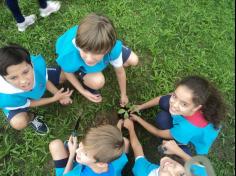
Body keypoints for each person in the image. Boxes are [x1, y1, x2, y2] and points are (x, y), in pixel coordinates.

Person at [55, 13, 139, 106]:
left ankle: (114, 50)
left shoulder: (112, 49)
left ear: (108, 49)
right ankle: (81, 73)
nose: (89, 59)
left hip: (102, 44)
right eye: (84, 51)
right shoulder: (70, 55)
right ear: (79, 46)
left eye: (96, 53)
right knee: (97, 82)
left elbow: (120, 72)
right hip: (76, 50)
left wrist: (123, 94)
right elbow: (67, 72)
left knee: (134, 60)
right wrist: (83, 91)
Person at [131, 76, 226, 155]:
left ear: (197, 108)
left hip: (190, 136)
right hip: (188, 122)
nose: (174, 104)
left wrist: (138, 119)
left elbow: (157, 132)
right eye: (175, 96)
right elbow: (163, 98)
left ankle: (180, 144)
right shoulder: (195, 101)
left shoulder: (185, 129)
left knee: (162, 118)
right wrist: (140, 107)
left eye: (184, 104)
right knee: (165, 100)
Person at [0, 44, 73, 135]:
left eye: (25, 72)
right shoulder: (5, 96)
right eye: (13, 78)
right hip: (17, 103)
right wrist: (54, 98)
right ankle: (31, 117)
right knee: (18, 123)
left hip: (35, 80)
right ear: (4, 78)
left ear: (32, 65)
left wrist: (58, 94)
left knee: (65, 74)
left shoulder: (36, 66)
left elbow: (44, 80)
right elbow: (30, 103)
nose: (23, 81)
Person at [123, 118, 208, 176]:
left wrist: (131, 128)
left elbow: (137, 149)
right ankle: (181, 147)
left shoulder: (142, 172)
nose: (169, 167)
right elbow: (199, 169)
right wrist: (178, 151)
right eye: (181, 174)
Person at [49, 122, 129, 176]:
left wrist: (72, 155)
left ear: (100, 163)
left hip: (73, 169)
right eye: (83, 144)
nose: (77, 150)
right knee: (125, 141)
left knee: (55, 145)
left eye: (86, 153)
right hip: (85, 163)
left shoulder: (80, 174)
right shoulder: (119, 159)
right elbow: (125, 143)